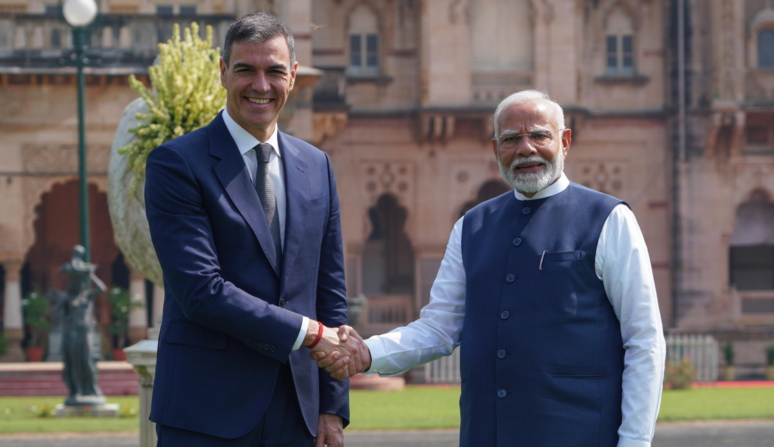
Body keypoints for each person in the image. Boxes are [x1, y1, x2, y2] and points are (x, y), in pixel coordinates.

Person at [316, 90, 666, 447]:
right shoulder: (472, 226)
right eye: (512, 139)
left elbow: (644, 339)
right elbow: (439, 327)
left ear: (565, 141)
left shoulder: (608, 219)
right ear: (496, 147)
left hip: (580, 433)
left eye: (539, 135)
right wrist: (368, 353)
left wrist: (635, 442)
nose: (526, 148)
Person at [145, 13, 365, 447]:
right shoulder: (177, 163)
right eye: (246, 70)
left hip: (298, 409)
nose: (260, 85)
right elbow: (201, 292)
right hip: (206, 408)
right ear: (224, 73)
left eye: (274, 71)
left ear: (294, 75)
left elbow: (329, 291)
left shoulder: (315, 165)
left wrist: (331, 407)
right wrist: (312, 334)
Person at [53, 245, 107, 406]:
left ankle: (93, 388)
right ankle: (76, 391)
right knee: (74, 362)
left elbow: (101, 288)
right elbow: (56, 312)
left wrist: (89, 275)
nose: (77, 285)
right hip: (71, 332)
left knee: (87, 360)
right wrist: (67, 320)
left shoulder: (87, 296)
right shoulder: (67, 298)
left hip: (85, 332)